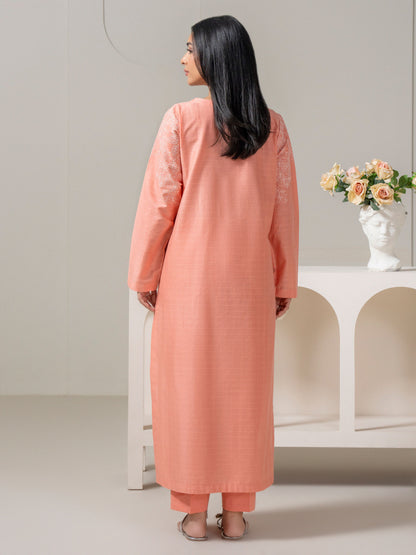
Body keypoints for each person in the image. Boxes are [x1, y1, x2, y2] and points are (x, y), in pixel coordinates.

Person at [127, 15, 299, 541]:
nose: (183, 58)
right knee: (244, 393)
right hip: (249, 282)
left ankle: (194, 514)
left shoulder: (181, 119)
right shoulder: (272, 126)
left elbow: (160, 204)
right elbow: (283, 212)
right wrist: (282, 282)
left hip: (190, 281)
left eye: (190, 49)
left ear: (215, 56)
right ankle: (237, 514)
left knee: (188, 391)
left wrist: (145, 272)